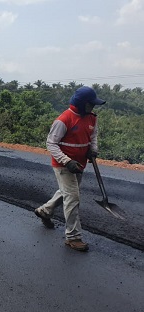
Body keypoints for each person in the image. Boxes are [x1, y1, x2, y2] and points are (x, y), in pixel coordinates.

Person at [34, 86, 106, 252]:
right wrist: (67, 161)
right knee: (73, 197)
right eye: (90, 104)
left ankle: (45, 211)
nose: (93, 107)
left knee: (66, 192)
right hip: (64, 165)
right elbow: (51, 144)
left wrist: (93, 149)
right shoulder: (64, 119)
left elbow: (93, 136)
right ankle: (73, 237)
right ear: (81, 104)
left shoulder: (92, 118)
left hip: (79, 164)